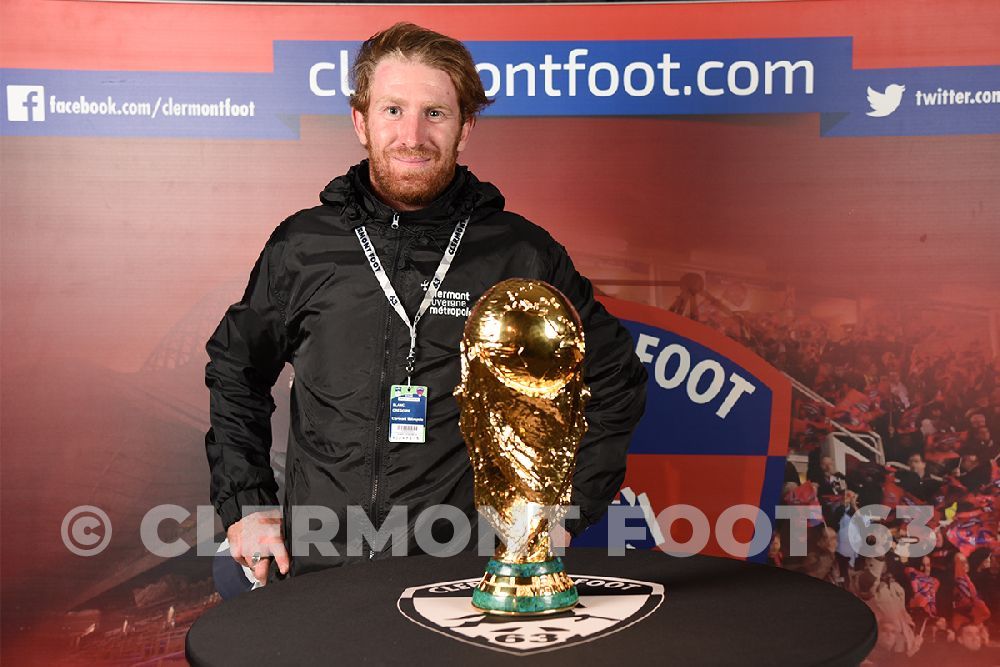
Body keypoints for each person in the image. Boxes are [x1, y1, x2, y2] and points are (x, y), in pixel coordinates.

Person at [204, 23, 648, 589]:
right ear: (361, 121)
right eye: (393, 110)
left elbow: (615, 381)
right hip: (320, 573)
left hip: (465, 577)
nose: (412, 134)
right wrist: (248, 505)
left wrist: (563, 515)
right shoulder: (303, 246)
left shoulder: (520, 252)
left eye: (435, 114)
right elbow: (236, 370)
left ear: (464, 129)